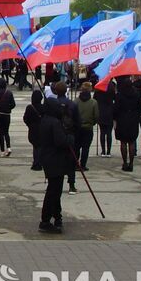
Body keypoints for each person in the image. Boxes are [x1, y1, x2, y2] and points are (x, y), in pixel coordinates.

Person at [35, 96, 72, 234]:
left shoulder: (44, 120)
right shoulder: (54, 122)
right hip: (55, 159)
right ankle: (45, 220)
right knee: (53, 191)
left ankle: (57, 216)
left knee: (54, 190)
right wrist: (69, 138)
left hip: (48, 158)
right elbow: (60, 141)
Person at [113, 78, 141, 171]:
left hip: (122, 119)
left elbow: (116, 108)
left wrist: (115, 118)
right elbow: (140, 106)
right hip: (133, 119)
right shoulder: (136, 94)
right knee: (132, 141)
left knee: (123, 142)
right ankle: (132, 163)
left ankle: (125, 162)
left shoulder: (119, 95)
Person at [0, 77, 17, 157]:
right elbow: (13, 104)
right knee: (6, 132)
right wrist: (8, 108)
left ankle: (2, 150)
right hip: (6, 114)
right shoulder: (9, 93)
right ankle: (8, 147)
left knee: (0, 132)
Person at [75, 84, 97, 171]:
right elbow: (96, 116)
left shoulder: (76, 102)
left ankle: (76, 163)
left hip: (77, 128)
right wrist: (92, 123)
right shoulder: (93, 102)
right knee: (86, 148)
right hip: (88, 127)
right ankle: (83, 165)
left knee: (76, 147)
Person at [23, 90, 44, 170]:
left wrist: (30, 125)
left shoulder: (29, 107)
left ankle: (36, 162)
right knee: (39, 147)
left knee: (36, 146)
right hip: (41, 129)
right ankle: (38, 163)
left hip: (32, 129)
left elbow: (25, 119)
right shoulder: (43, 107)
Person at [95, 82, 115, 157]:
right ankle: (108, 151)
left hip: (101, 111)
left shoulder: (99, 87)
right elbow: (114, 98)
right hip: (109, 111)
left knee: (102, 132)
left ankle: (103, 151)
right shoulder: (111, 87)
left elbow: (95, 99)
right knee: (109, 133)